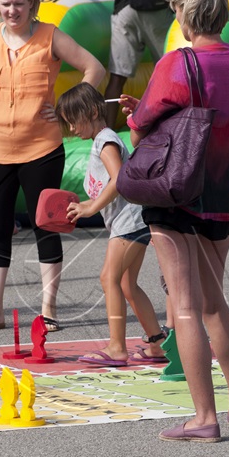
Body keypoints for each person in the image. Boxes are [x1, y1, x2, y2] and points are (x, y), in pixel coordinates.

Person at [121, 0, 229, 442]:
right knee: (213, 305)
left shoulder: (178, 63)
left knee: (183, 306)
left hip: (178, 193)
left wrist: (135, 112)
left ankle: (204, 417)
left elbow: (140, 130)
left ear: (184, 11)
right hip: (222, 193)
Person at [0, 0, 105, 334]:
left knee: (45, 226)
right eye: (5, 4)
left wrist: (69, 109)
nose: (12, 10)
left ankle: (48, 309)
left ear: (32, 3)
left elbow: (94, 68)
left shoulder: (50, 35)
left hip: (42, 148)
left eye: (19, 3)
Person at [57, 83, 166, 366]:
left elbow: (119, 178)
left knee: (109, 278)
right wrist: (84, 203)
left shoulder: (104, 140)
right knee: (128, 285)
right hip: (130, 221)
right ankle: (158, 344)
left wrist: (91, 207)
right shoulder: (100, 141)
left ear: (93, 111)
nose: (71, 129)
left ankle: (117, 348)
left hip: (129, 221)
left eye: (73, 120)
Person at [64, 0, 189, 129]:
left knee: (117, 79)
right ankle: (174, 128)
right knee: (172, 73)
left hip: (127, 11)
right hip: (159, 12)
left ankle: (104, 135)